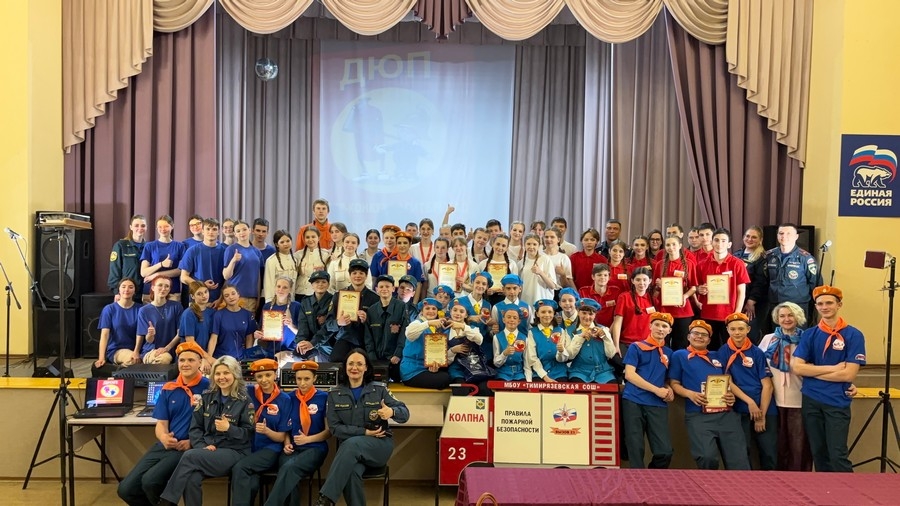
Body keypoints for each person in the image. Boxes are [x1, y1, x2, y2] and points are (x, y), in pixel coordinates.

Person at [117, 342, 210, 506]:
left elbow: (214, 426)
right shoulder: (169, 388)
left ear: (200, 362)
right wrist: (164, 437)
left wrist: (193, 442)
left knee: (151, 481)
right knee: (125, 489)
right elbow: (161, 423)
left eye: (191, 360)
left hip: (188, 448)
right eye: (182, 360)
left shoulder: (210, 389)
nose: (185, 364)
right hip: (165, 445)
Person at [314, 349, 409, 506]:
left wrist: (392, 412)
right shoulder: (334, 394)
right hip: (349, 453)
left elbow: (405, 414)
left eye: (359, 364)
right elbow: (334, 428)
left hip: (378, 446)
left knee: (350, 444)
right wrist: (364, 432)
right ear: (345, 367)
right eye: (351, 364)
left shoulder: (379, 390)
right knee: (351, 472)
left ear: (366, 368)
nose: (354, 368)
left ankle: (326, 499)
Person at [158, 356, 254, 506]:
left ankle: (167, 501)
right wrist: (202, 446)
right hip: (208, 451)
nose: (221, 377)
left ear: (235, 374)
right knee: (191, 477)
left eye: (226, 373)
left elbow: (249, 434)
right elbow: (195, 428)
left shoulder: (245, 400)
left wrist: (230, 429)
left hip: (235, 452)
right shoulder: (206, 397)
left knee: (189, 456)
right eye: (218, 373)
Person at [791, 285, 865, 472]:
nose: (825, 307)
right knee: (819, 453)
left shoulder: (854, 335)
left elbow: (848, 374)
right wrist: (833, 369)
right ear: (816, 306)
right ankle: (826, 489)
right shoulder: (809, 334)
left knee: (837, 454)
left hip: (837, 401)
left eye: (829, 303)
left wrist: (812, 370)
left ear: (839, 305)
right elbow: (797, 368)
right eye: (820, 304)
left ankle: (847, 490)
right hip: (811, 400)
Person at [668, 319, 749, 470]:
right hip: (698, 414)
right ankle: (709, 485)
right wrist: (690, 394)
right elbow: (674, 384)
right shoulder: (680, 355)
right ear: (688, 336)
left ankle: (739, 486)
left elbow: (729, 381)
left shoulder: (718, 356)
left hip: (726, 414)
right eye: (695, 333)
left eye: (704, 335)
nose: (699, 337)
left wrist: (731, 395)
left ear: (709, 340)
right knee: (706, 457)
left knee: (739, 461)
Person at [264, 362, 331, 506]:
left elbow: (328, 432)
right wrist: (287, 443)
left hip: (315, 447)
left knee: (290, 468)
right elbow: (285, 427)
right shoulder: (289, 398)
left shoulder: (324, 397)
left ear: (315, 378)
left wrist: (307, 439)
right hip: (293, 447)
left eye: (307, 379)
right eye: (299, 379)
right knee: (287, 470)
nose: (302, 383)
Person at [758, 301, 813, 471]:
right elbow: (759, 366)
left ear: (798, 317)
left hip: (798, 399)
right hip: (774, 401)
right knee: (778, 447)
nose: (786, 319)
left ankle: (799, 480)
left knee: (799, 447)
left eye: (790, 315)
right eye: (782, 316)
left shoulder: (806, 339)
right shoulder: (768, 339)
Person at [230, 359, 292, 506]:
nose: (264, 380)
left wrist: (267, 431)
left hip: (270, 449)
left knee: (240, 467)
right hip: (248, 447)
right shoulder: (249, 393)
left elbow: (281, 437)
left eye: (268, 375)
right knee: (250, 484)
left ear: (275, 375)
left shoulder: (284, 399)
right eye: (259, 376)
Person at [719, 312, 776, 470]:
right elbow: (728, 381)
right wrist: (749, 402)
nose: (737, 332)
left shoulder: (757, 352)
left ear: (748, 329)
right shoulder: (723, 352)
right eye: (733, 329)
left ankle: (771, 481)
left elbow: (767, 385)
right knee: (743, 450)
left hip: (764, 407)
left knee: (769, 450)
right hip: (740, 407)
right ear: (727, 330)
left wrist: (761, 415)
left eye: (741, 329)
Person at [621, 312, 675, 469]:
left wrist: (668, 389)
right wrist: (656, 390)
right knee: (635, 447)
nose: (660, 328)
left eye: (664, 326)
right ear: (650, 326)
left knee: (665, 451)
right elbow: (630, 375)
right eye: (657, 324)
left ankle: (652, 476)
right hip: (633, 400)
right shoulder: (636, 347)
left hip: (657, 404)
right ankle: (637, 480)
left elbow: (667, 379)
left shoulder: (670, 353)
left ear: (669, 331)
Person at [694, 228, 750, 350]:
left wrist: (737, 314)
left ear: (729, 244)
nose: (719, 244)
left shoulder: (737, 264)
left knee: (730, 349)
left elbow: (741, 292)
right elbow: (696, 287)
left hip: (729, 315)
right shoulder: (701, 264)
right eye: (716, 240)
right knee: (710, 350)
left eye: (723, 241)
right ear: (712, 242)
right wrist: (699, 289)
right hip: (708, 314)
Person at [324, 258, 379, 363]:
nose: (357, 276)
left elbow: (379, 325)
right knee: (335, 361)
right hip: (345, 337)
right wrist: (338, 322)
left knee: (372, 364)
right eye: (354, 273)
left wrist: (367, 320)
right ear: (349, 275)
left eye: (361, 273)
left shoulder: (375, 298)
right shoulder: (339, 296)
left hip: (366, 340)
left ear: (366, 276)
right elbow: (328, 324)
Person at [652, 234, 697, 351]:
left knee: (681, 344)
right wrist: (658, 286)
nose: (671, 247)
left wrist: (685, 296)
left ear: (680, 245)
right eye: (668, 245)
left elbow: (693, 287)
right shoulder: (659, 265)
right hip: (664, 310)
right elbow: (655, 288)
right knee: (663, 344)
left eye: (674, 244)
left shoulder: (689, 264)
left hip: (683, 310)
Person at [765, 223, 818, 320]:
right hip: (775, 304)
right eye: (781, 233)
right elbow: (764, 280)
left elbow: (814, 283)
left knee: (798, 330)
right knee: (777, 330)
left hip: (797, 305)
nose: (784, 236)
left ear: (796, 236)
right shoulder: (769, 256)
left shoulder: (805, 258)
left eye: (788, 233)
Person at [365, 274, 409, 382]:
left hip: (396, 359)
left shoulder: (401, 307)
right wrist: (372, 357)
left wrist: (398, 354)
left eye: (387, 286)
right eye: (381, 287)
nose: (384, 289)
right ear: (376, 289)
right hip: (376, 360)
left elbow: (404, 333)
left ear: (393, 289)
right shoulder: (371, 310)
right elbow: (368, 337)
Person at [248, 276, 303, 360]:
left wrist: (291, 326)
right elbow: (261, 330)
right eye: (278, 286)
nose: (281, 290)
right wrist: (258, 334)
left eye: (285, 287)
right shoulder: (267, 306)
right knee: (246, 357)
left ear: (290, 289)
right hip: (268, 348)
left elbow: (302, 335)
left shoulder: (296, 306)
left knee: (279, 360)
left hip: (288, 350)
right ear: (275, 287)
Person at [401, 298, 451, 389]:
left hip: (427, 368)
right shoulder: (416, 323)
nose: (431, 311)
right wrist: (428, 323)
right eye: (427, 308)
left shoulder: (439, 328)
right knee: (444, 379)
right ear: (422, 311)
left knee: (450, 373)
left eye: (434, 309)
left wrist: (436, 364)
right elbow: (409, 334)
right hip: (413, 370)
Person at [565, 298, 617, 384]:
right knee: (577, 388)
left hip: (603, 372)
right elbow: (570, 356)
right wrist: (580, 337)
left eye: (591, 314)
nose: (587, 317)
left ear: (595, 315)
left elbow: (611, 354)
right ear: (578, 312)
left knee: (612, 387)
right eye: (584, 313)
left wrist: (605, 337)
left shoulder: (604, 329)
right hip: (579, 372)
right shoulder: (569, 331)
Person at [95, 278, 143, 368]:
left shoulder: (141, 309)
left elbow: (141, 333)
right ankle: (118, 372)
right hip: (116, 350)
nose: (127, 289)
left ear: (135, 291)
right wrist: (101, 358)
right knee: (132, 360)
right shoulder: (109, 309)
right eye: (123, 287)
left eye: (130, 287)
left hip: (139, 350)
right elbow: (104, 335)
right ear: (119, 290)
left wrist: (136, 351)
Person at [136, 276, 183, 364]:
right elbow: (149, 340)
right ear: (153, 287)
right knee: (162, 359)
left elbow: (180, 333)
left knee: (165, 358)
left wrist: (167, 348)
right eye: (160, 285)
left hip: (171, 350)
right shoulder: (144, 310)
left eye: (167, 286)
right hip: (151, 350)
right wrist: (150, 334)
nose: (163, 289)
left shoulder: (176, 306)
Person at [179, 217, 226, 302]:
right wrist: (201, 285)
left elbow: (228, 278)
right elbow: (183, 277)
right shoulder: (192, 251)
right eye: (208, 229)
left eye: (214, 229)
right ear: (203, 231)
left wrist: (221, 298)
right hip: (197, 299)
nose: (211, 232)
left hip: (219, 300)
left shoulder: (225, 251)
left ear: (219, 232)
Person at [610, 267, 654, 357]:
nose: (641, 283)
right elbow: (617, 323)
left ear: (650, 281)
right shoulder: (624, 297)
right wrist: (616, 345)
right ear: (632, 281)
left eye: (644, 280)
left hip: (647, 344)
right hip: (627, 343)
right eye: (638, 280)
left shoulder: (653, 299)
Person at [735, 226, 769, 342]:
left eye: (754, 237)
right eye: (747, 236)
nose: (749, 239)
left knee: (749, 334)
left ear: (760, 240)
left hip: (753, 304)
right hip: (738, 301)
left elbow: (761, 282)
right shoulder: (737, 254)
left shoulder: (762, 258)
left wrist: (751, 301)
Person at [208, 284, 256, 361]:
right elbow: (213, 339)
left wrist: (248, 357)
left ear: (238, 294)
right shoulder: (218, 315)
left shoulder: (247, 314)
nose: (231, 297)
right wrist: (209, 358)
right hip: (222, 357)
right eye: (227, 296)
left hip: (240, 358)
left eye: (233, 294)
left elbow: (249, 338)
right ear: (224, 299)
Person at [223, 220, 263, 313]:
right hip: (235, 297)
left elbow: (259, 277)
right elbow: (226, 276)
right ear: (235, 234)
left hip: (252, 297)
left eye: (244, 229)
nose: (242, 233)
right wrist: (233, 260)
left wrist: (258, 296)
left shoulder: (257, 252)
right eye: (238, 231)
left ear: (250, 230)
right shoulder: (231, 249)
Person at [525, 299, 569, 382]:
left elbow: (564, 358)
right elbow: (532, 358)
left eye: (550, 312)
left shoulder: (561, 331)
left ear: (554, 313)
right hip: (540, 373)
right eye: (543, 312)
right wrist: (545, 377)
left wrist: (561, 351)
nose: (547, 315)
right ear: (537, 314)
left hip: (559, 373)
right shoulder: (532, 333)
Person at [294, 271, 334, 360]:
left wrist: (313, 343)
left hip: (328, 343)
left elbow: (329, 329)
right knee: (298, 354)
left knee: (328, 365)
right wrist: (301, 341)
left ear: (328, 284)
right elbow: (302, 325)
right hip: (310, 341)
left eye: (323, 282)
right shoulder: (306, 302)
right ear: (312, 285)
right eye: (317, 282)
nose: (320, 284)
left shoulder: (334, 300)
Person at [179, 281, 216, 374]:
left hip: (206, 354)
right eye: (199, 294)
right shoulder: (189, 314)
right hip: (191, 354)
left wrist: (208, 358)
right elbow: (190, 341)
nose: (204, 296)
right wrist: (205, 358)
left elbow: (213, 338)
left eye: (205, 292)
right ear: (192, 296)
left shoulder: (212, 312)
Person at [108, 214, 147, 299]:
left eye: (143, 226)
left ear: (146, 227)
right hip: (126, 292)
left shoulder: (149, 247)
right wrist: (117, 292)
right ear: (131, 227)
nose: (140, 228)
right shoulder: (121, 245)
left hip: (145, 293)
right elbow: (115, 269)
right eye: (136, 225)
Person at [478, 233, 518, 306]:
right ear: (493, 244)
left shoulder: (512, 264)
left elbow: (516, 286)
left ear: (507, 248)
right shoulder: (483, 264)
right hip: (486, 301)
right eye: (498, 244)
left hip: (506, 302)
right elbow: (477, 283)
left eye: (503, 246)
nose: (500, 247)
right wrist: (485, 290)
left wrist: (506, 291)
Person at [263, 230, 299, 304]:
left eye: (288, 241)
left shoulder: (295, 260)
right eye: (282, 242)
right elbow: (268, 284)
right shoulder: (271, 260)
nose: (285, 244)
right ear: (277, 244)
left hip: (291, 300)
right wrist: (270, 302)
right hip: (276, 301)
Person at [578, 263, 620, 328]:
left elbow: (617, 316)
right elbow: (579, 313)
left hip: (610, 329)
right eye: (599, 275)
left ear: (609, 277)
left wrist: (609, 331)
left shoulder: (616, 291)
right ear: (593, 277)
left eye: (605, 275)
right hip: (589, 329)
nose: (602, 277)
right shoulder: (583, 291)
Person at [492, 307, 528, 382]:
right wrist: (504, 354)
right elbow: (496, 363)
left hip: (519, 374)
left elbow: (526, 361)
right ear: (503, 320)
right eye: (508, 317)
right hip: (502, 373)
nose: (511, 320)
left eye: (515, 318)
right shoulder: (497, 337)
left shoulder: (524, 338)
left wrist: (528, 379)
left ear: (519, 321)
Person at [520, 234, 557, 305]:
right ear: (524, 245)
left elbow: (552, 286)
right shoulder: (521, 263)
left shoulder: (545, 260)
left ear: (539, 246)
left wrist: (540, 272)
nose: (531, 247)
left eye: (534, 244)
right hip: (526, 301)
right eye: (528, 244)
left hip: (542, 301)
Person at [294, 227, 330, 299]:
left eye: (313, 237)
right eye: (307, 237)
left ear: (318, 238)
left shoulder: (326, 255)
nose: (310, 240)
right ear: (304, 239)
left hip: (318, 292)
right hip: (300, 292)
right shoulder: (297, 255)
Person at [542, 227, 574, 292]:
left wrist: (563, 274)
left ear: (558, 239)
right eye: (546, 237)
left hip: (557, 292)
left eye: (552, 237)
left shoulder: (563, 258)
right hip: (541, 291)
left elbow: (566, 285)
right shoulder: (539, 255)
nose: (548, 239)